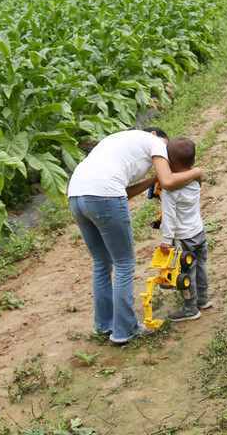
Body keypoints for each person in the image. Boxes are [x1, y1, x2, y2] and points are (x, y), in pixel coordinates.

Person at [66, 128, 200, 345]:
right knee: (124, 264)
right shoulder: (156, 142)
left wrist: (150, 181)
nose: (165, 157)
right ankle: (124, 330)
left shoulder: (118, 140)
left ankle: (104, 325)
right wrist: (197, 172)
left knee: (101, 263)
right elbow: (167, 182)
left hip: (76, 195)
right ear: (159, 136)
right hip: (103, 195)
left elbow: (125, 193)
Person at [157, 157, 211, 322]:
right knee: (201, 266)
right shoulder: (195, 183)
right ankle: (203, 299)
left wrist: (166, 240)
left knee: (185, 274)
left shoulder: (170, 192)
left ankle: (190, 308)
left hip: (184, 238)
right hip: (199, 233)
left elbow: (169, 217)